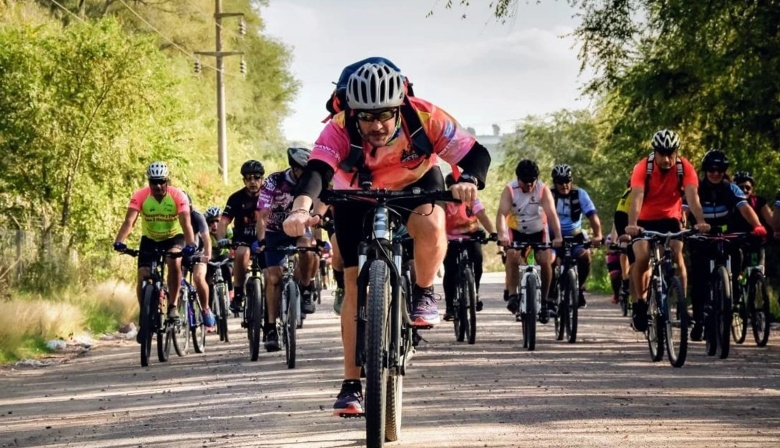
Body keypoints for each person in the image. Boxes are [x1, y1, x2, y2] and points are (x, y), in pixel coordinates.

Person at [282, 59, 490, 416]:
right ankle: (351, 384)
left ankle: (424, 291)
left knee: (430, 221)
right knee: (351, 282)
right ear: (351, 111)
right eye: (365, 117)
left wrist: (469, 178)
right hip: (356, 192)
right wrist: (300, 208)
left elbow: (476, 154)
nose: (376, 125)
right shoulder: (338, 127)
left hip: (414, 183)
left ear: (400, 106)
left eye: (384, 115)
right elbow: (316, 172)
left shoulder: (426, 117)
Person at [624, 130, 710, 332]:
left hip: (671, 219)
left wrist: (701, 221)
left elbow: (693, 197)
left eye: (671, 153)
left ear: (676, 152)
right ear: (655, 152)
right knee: (643, 256)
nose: (666, 159)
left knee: (677, 254)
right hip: (644, 220)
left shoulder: (684, 167)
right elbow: (636, 197)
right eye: (662, 153)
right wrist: (632, 224)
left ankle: (681, 306)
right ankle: (640, 305)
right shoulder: (642, 168)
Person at [685, 150, 766, 340]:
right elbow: (684, 211)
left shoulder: (732, 189)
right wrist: (684, 227)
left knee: (736, 257)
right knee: (699, 279)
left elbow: (745, 209)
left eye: (719, 169)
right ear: (705, 170)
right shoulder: (695, 189)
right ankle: (698, 320)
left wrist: (758, 226)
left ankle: (732, 294)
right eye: (711, 169)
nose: (715, 173)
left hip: (727, 234)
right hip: (702, 237)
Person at [113, 162, 196, 337]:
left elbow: (186, 223)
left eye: (161, 181)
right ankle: (145, 317)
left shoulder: (177, 196)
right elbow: (129, 222)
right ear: (149, 182)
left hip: (173, 237)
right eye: (153, 182)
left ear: (167, 181)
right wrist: (119, 241)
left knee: (173, 260)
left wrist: (190, 245)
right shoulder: (140, 196)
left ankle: (172, 307)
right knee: (143, 274)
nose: (158, 186)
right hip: (150, 239)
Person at [255, 147, 320, 352]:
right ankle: (271, 327)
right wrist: (262, 239)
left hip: (300, 228)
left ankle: (307, 288)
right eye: (302, 169)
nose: (306, 174)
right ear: (294, 168)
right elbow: (262, 215)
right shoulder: (274, 181)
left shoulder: (309, 181)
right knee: (273, 277)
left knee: (307, 248)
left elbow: (316, 213)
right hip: (274, 231)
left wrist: (318, 241)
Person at [496, 159, 563, 322]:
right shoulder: (510, 190)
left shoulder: (542, 189)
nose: (529, 186)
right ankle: (512, 295)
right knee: (512, 255)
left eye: (532, 182)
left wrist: (559, 237)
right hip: (516, 230)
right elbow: (501, 215)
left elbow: (552, 215)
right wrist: (502, 235)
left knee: (545, 260)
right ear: (518, 179)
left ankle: (546, 300)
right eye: (525, 183)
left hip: (538, 230)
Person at [442, 173, 497, 321]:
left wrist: (493, 232)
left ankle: (475, 292)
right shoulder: (444, 201)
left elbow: (482, 215)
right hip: (450, 239)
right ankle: (449, 307)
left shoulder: (472, 199)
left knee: (478, 260)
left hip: (472, 236)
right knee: (450, 269)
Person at [549, 164, 603, 308]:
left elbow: (592, 216)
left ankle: (578, 288)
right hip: (553, 237)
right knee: (551, 260)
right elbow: (540, 216)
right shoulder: (549, 195)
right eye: (560, 182)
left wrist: (598, 235)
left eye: (567, 181)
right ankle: (551, 292)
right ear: (555, 182)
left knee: (585, 256)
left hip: (575, 236)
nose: (564, 185)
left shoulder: (580, 194)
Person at [217, 160, 265, 313]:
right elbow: (224, 221)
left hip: (264, 237)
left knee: (273, 270)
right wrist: (220, 239)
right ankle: (238, 294)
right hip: (243, 237)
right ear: (244, 180)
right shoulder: (236, 198)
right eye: (248, 178)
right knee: (241, 253)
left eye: (256, 178)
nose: (252, 182)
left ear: (262, 179)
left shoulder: (270, 195)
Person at [181, 193, 216, 330]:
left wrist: (207, 255)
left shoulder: (197, 216)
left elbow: (206, 238)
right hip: (181, 252)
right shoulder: (172, 215)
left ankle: (206, 308)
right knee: (176, 281)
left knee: (198, 278)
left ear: (190, 206)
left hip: (198, 252)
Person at [204, 206, 234, 300]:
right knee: (207, 278)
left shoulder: (227, 231)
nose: (214, 225)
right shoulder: (205, 233)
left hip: (223, 255)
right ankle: (209, 303)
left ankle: (231, 291)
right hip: (211, 257)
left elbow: (234, 240)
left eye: (217, 221)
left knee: (226, 268)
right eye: (211, 222)